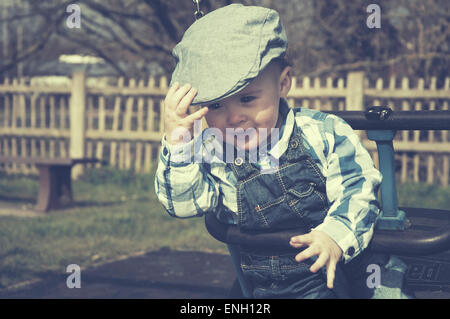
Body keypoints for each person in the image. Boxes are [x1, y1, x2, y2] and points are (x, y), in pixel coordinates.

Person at [155, 4, 409, 298]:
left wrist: (334, 236)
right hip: (263, 286)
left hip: (339, 272)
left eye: (247, 98)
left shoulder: (323, 133)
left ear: (283, 83)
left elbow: (359, 188)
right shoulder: (212, 151)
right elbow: (182, 204)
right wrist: (178, 140)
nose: (233, 117)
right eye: (215, 105)